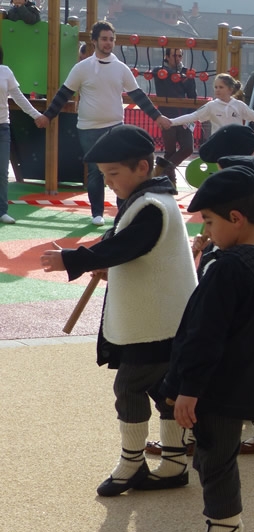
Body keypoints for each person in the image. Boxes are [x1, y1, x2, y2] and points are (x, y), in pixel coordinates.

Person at [38, 125, 197, 495]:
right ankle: (173, 462)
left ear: (142, 167)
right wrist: (103, 262)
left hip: (157, 321)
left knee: (130, 386)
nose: (108, 183)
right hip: (165, 317)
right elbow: (133, 249)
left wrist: (74, 259)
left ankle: (132, 462)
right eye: (104, 175)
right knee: (162, 390)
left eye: (113, 174)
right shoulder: (153, 199)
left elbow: (126, 246)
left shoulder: (151, 205)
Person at [162, 166, 254, 532]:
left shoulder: (228, 268)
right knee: (216, 458)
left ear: (235, 218)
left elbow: (206, 335)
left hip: (216, 385)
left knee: (214, 462)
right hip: (245, 379)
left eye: (209, 221)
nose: (207, 230)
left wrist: (189, 387)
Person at [35, 21, 171, 226]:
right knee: (95, 171)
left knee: (121, 169)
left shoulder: (121, 68)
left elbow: (138, 96)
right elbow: (64, 94)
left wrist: (158, 117)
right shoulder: (82, 68)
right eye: (104, 39)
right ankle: (97, 213)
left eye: (111, 39)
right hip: (88, 128)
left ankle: (123, 213)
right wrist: (47, 116)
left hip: (115, 127)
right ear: (94, 41)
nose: (108, 43)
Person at [0, 45, 42, 224]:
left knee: (2, 171)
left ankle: (2, 211)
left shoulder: (5, 71)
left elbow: (18, 97)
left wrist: (36, 115)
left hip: (2, 126)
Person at [164, 73, 254, 136]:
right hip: (218, 143)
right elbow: (193, 116)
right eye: (216, 87)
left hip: (236, 144)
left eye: (221, 87)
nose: (217, 90)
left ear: (230, 89)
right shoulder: (211, 106)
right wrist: (171, 122)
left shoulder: (239, 105)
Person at [152, 47, 198, 186]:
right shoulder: (159, 72)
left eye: (180, 56)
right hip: (166, 116)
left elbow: (193, 96)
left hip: (183, 116)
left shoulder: (187, 73)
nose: (177, 58)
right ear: (167, 57)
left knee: (188, 148)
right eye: (174, 56)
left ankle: (164, 170)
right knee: (170, 151)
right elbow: (162, 77)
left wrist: (190, 116)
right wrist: (180, 76)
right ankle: (171, 182)